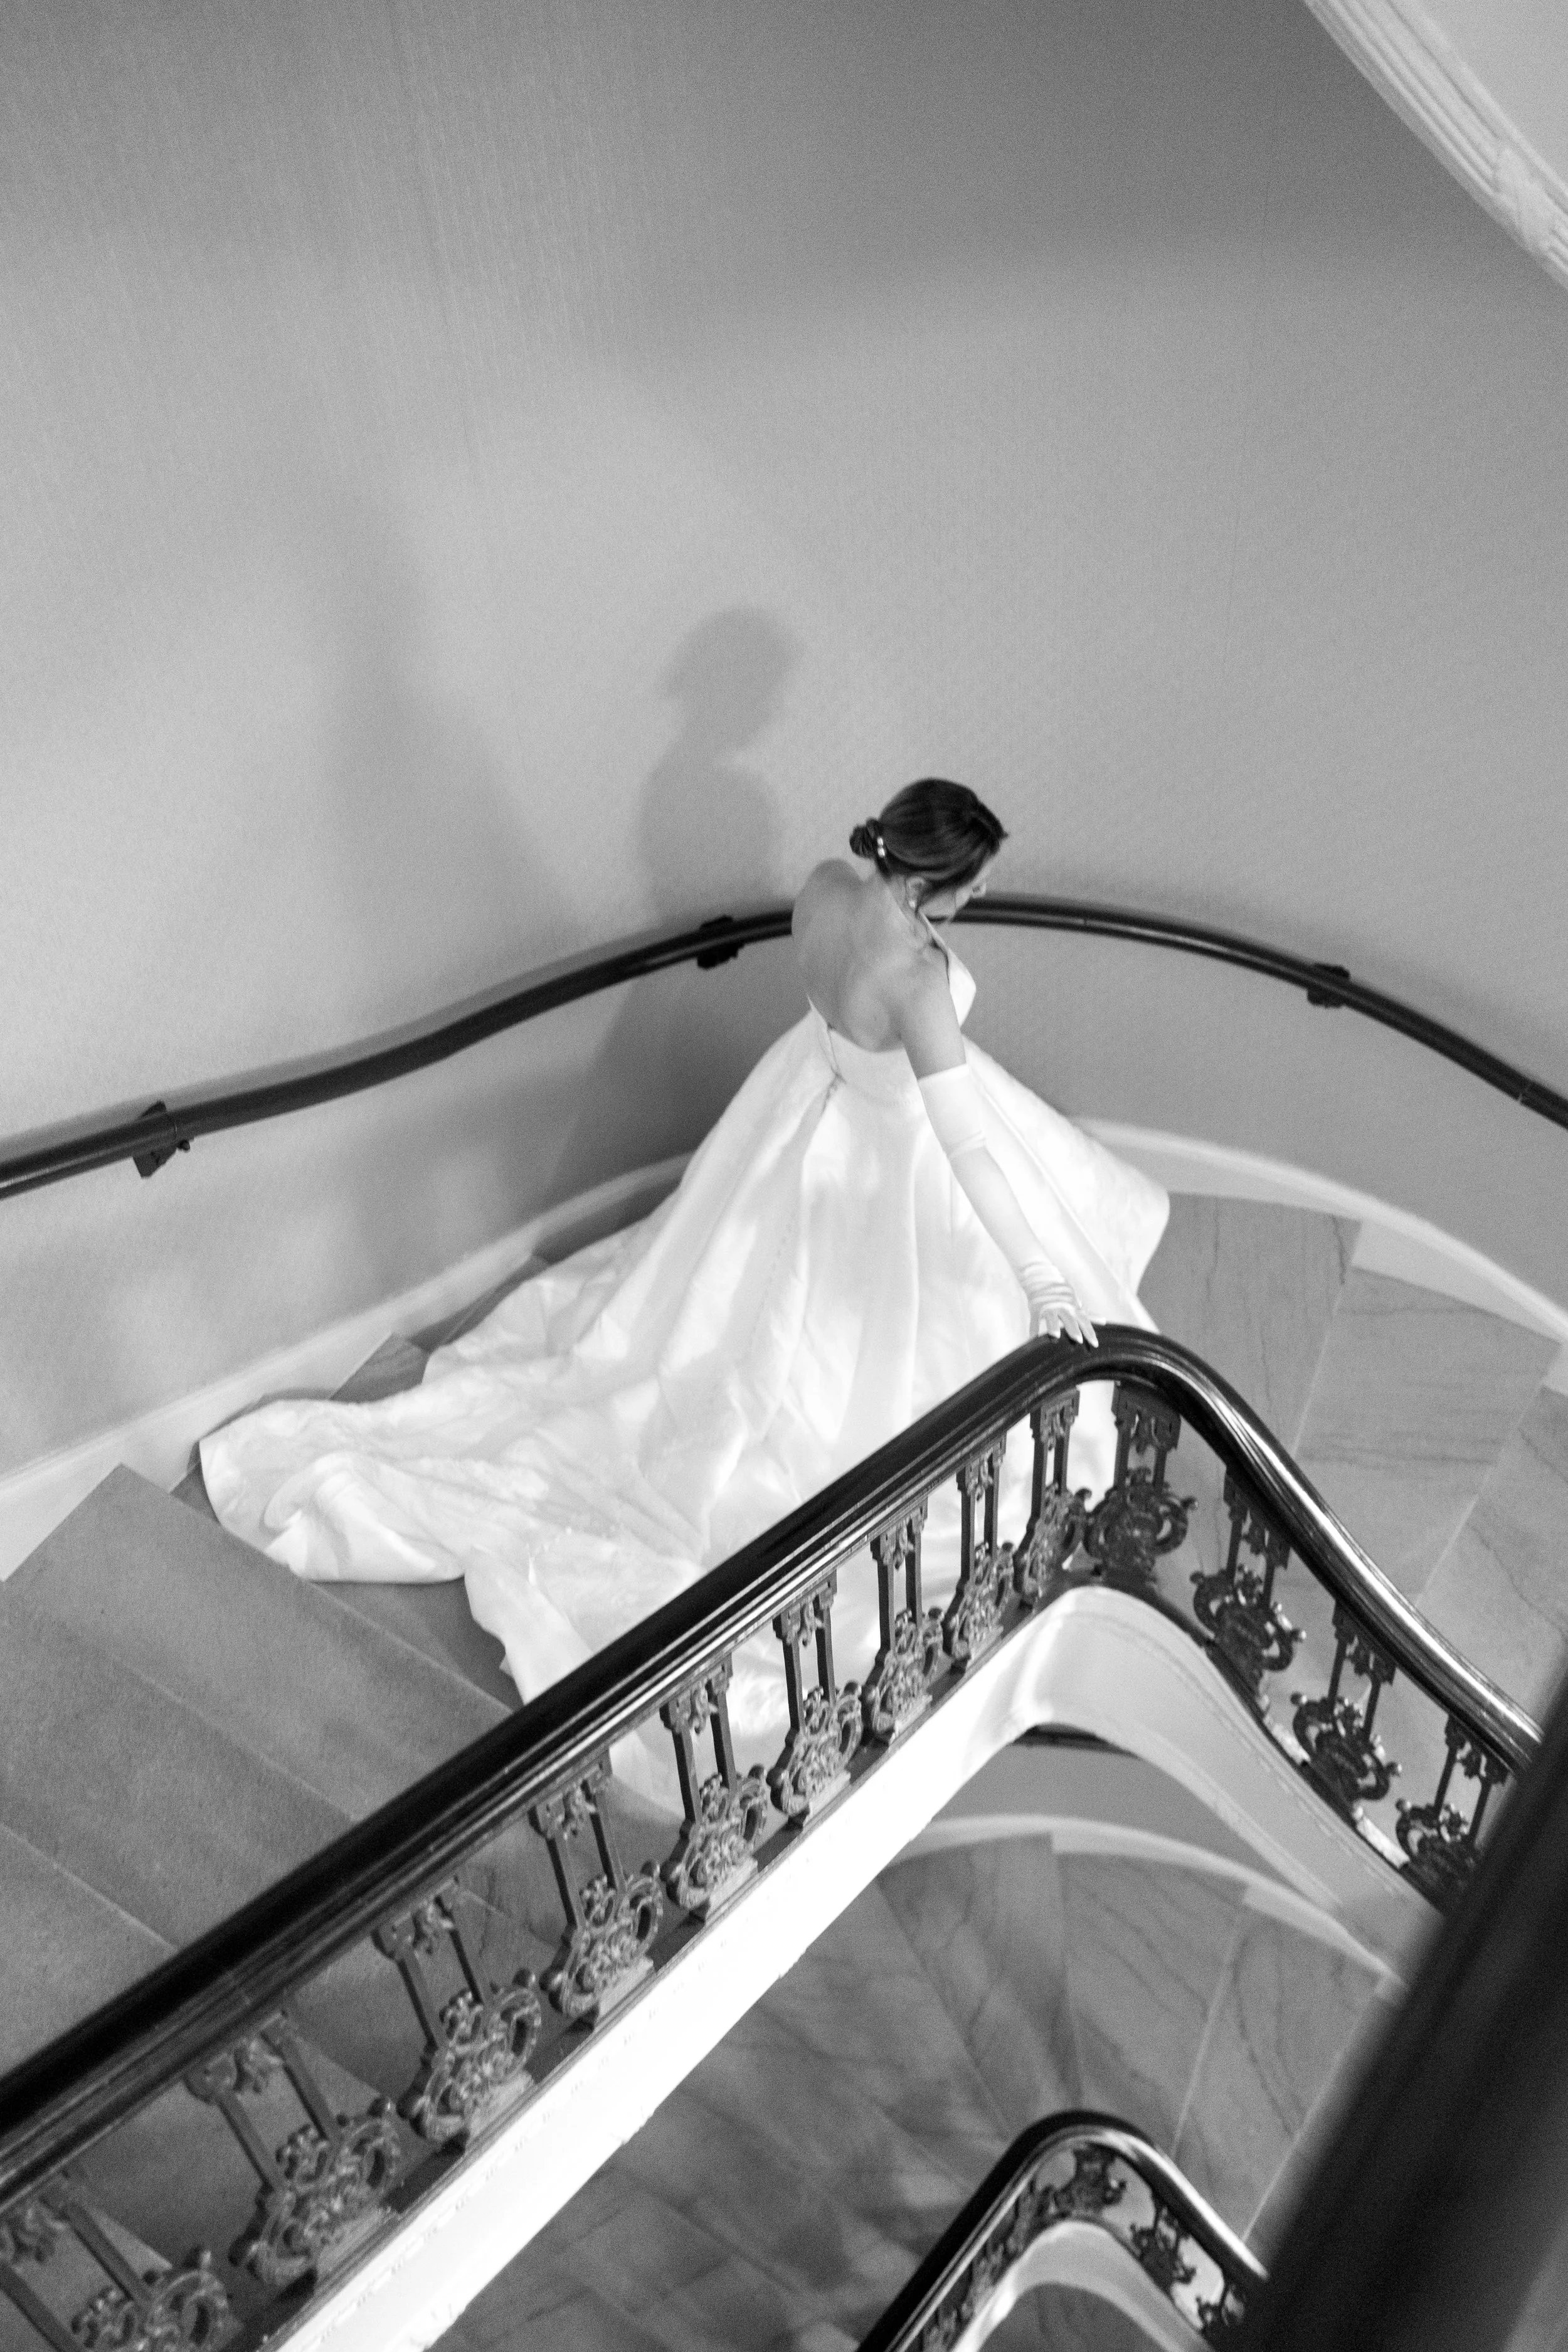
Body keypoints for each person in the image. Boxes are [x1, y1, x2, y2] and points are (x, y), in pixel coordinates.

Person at [201, 780, 1167, 1786]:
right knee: (853, 1368)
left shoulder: (827, 888)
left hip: (802, 1100)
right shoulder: (921, 981)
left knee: (717, 1309)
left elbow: (840, 1012)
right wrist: (1042, 1279)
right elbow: (965, 1144)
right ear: (931, 882)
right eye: (972, 890)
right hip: (884, 1160)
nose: (975, 907)